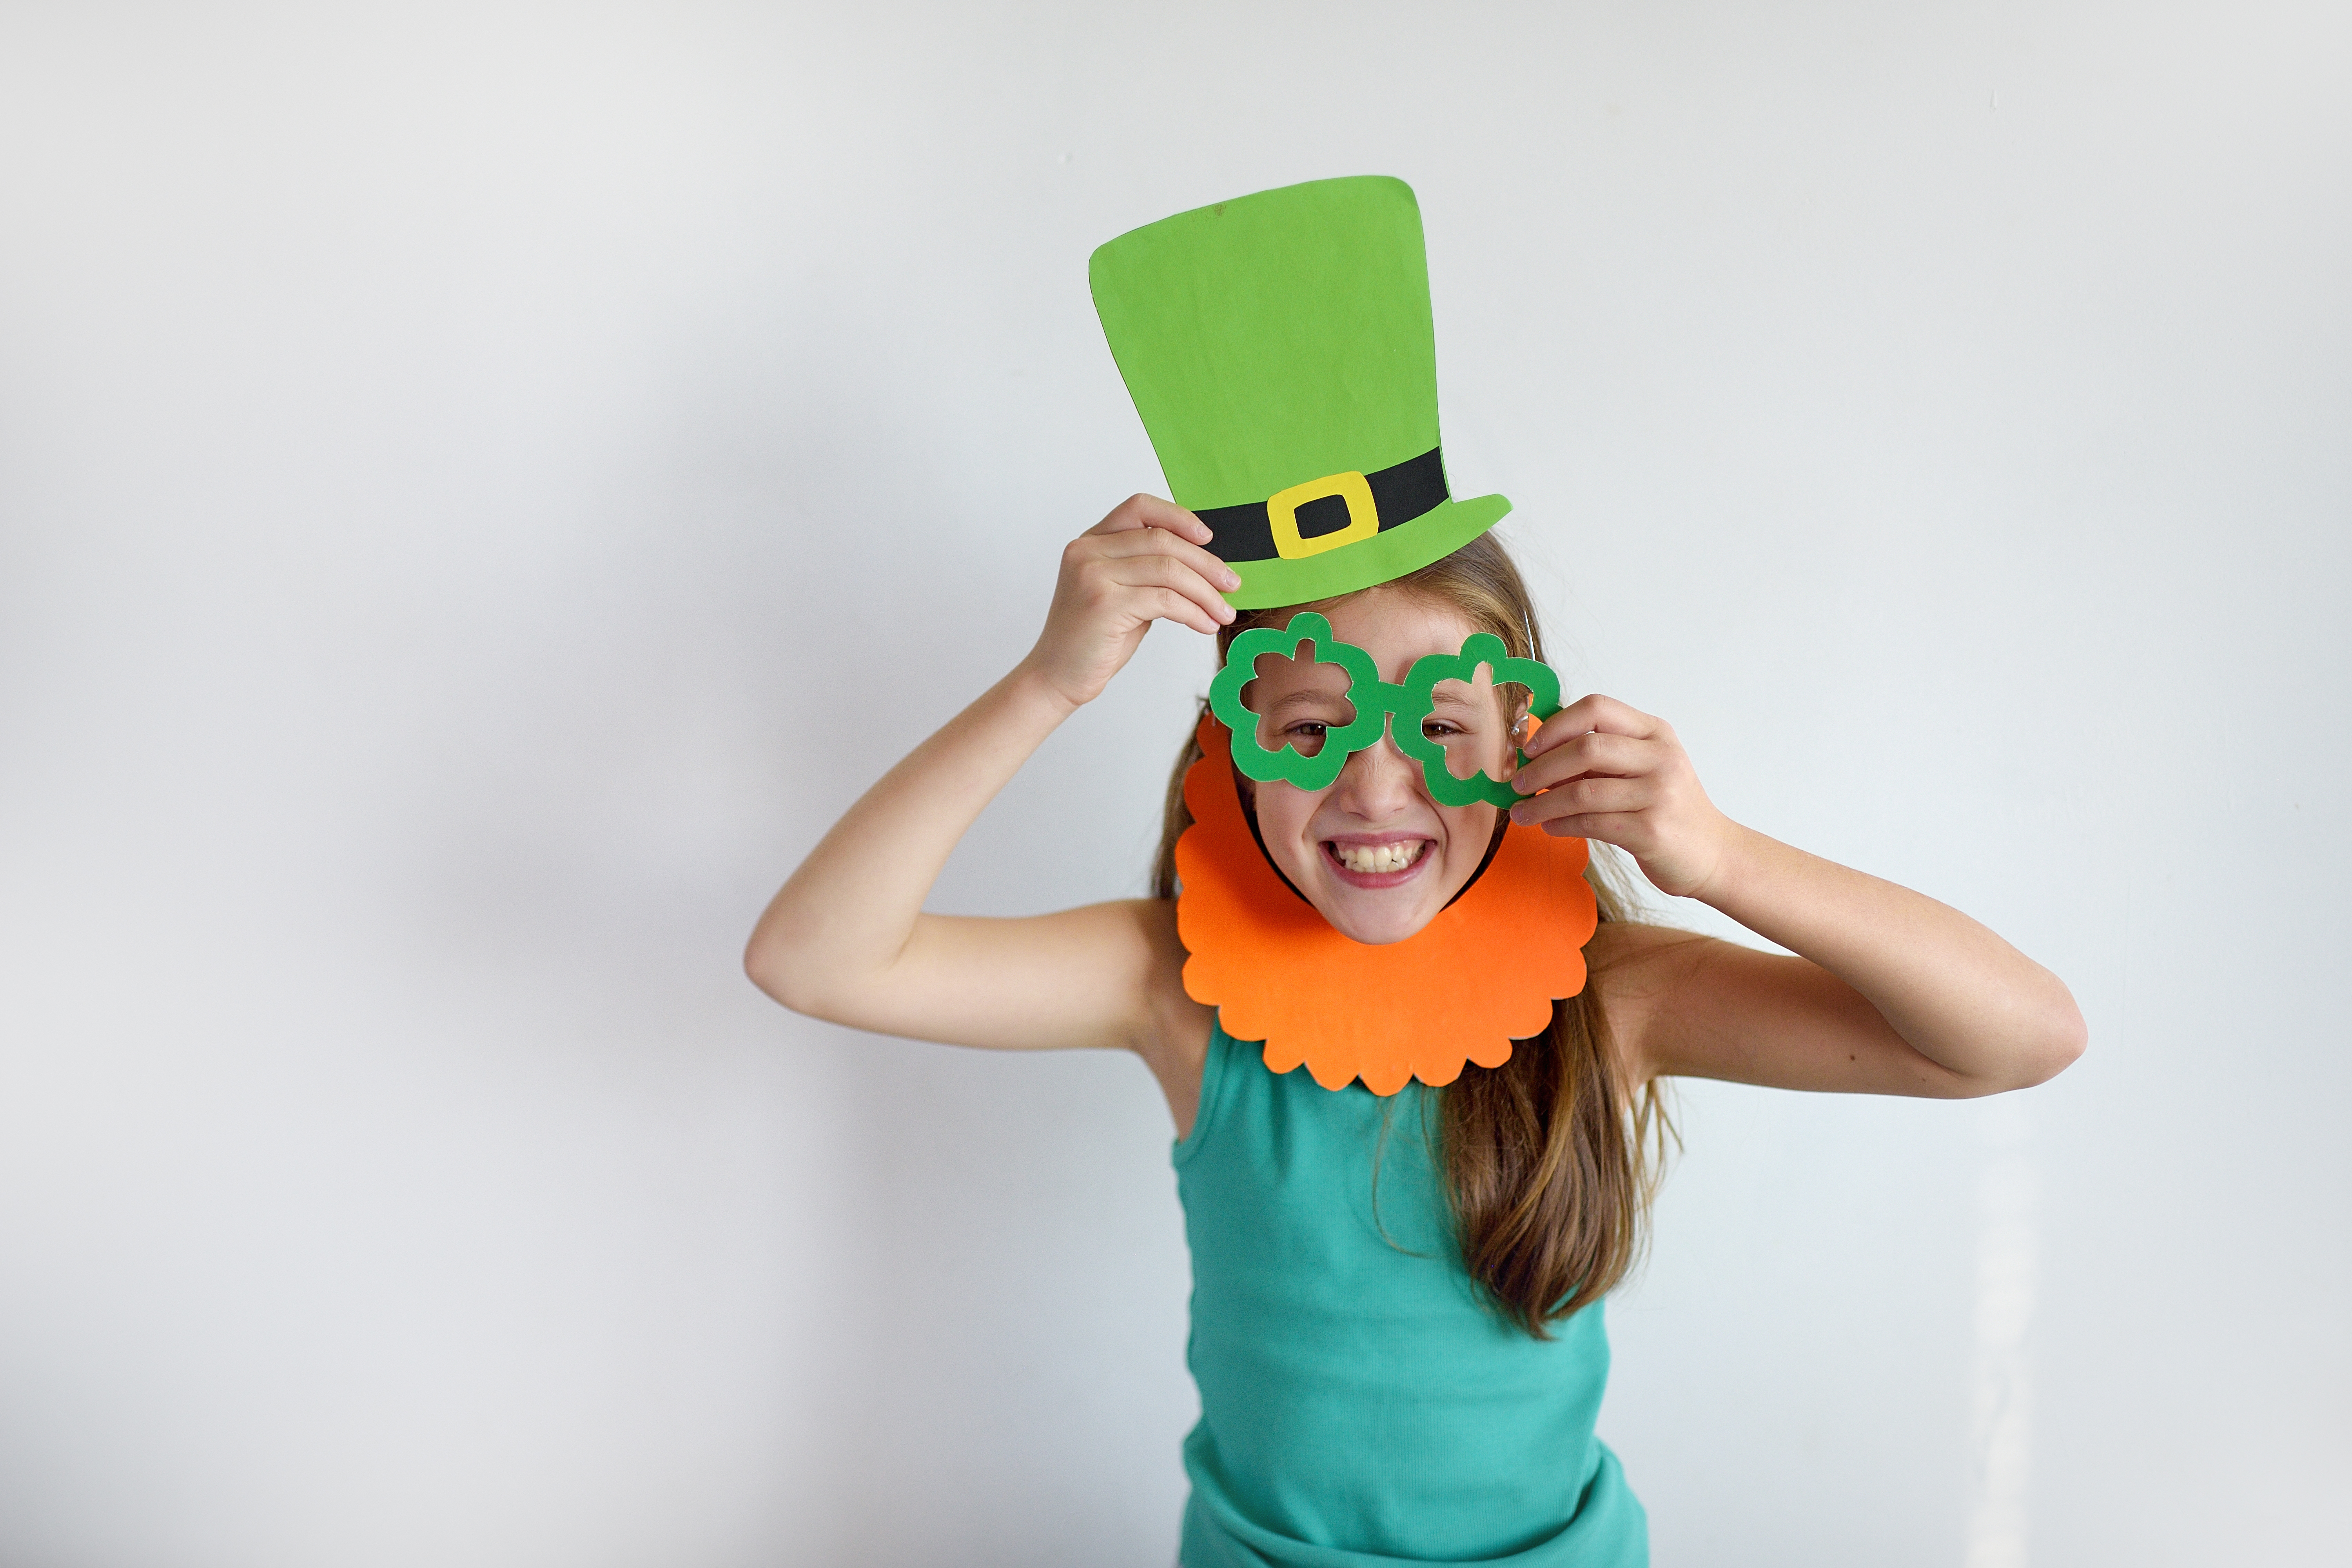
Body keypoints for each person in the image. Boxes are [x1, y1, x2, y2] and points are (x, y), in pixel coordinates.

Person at [744, 178, 2085, 1568]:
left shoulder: (1611, 997)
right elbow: (815, 957)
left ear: (1524, 743)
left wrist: (1722, 857)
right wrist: (1045, 686)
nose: (1376, 787)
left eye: (1438, 730)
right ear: (1236, 745)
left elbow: (2023, 1037)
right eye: (1316, 728)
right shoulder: (1176, 989)